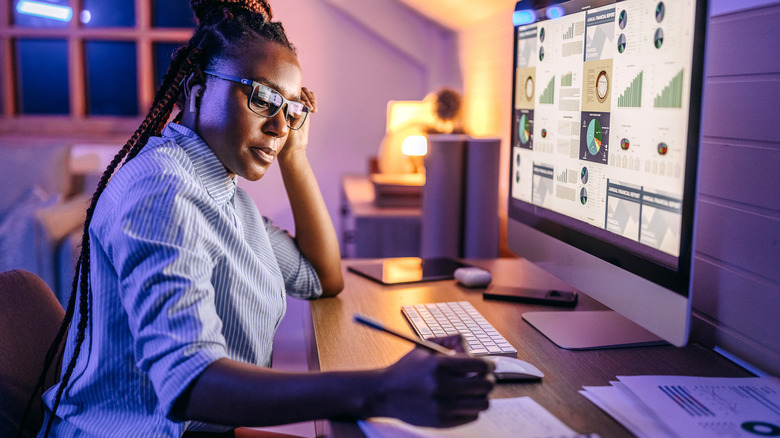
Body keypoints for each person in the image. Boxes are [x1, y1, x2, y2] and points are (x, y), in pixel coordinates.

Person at [33, 1, 494, 436]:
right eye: (260, 97)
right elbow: (189, 383)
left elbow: (321, 277)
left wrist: (295, 155)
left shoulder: (223, 191)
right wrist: (381, 388)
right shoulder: (163, 190)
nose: (278, 125)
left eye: (291, 109)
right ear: (196, 92)